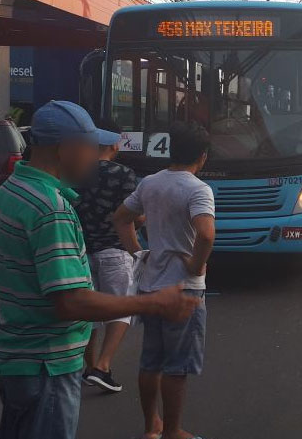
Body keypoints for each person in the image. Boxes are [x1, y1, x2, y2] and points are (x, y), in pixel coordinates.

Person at [0, 101, 200, 439]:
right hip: (47, 365)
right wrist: (153, 303)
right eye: (90, 147)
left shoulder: (9, 193)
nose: (95, 156)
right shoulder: (50, 209)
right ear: (65, 149)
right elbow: (71, 302)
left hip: (16, 358)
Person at [113, 122, 215, 439]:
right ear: (202, 156)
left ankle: (151, 426)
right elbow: (206, 234)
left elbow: (121, 218)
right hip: (182, 292)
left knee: (151, 361)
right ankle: (172, 432)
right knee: (177, 367)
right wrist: (197, 267)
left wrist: (140, 253)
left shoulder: (150, 183)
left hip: (151, 287)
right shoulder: (198, 189)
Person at [73, 121, 138, 393]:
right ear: (114, 144)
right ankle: (103, 366)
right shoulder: (124, 174)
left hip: (80, 253)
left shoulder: (76, 172)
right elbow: (131, 216)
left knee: (89, 313)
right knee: (121, 310)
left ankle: (89, 367)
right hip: (115, 251)